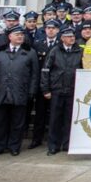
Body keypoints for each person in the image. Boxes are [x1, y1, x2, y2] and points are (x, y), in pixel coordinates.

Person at [0, 27, 39, 157]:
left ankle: (14, 146)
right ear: (9, 37)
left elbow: (34, 74)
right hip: (1, 92)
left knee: (17, 122)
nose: (20, 37)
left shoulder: (30, 52)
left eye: (22, 35)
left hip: (20, 92)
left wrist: (32, 91)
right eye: (17, 34)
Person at [41, 27, 83, 154]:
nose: (72, 38)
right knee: (55, 119)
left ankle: (67, 144)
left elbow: (87, 67)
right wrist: (45, 89)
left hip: (72, 90)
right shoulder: (54, 51)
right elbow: (45, 70)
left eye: (73, 36)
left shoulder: (80, 51)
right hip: (57, 90)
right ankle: (53, 145)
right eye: (69, 37)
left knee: (69, 119)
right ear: (62, 38)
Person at [29, 19, 62, 149]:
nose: (51, 30)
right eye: (48, 28)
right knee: (40, 114)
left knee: (55, 114)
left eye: (53, 28)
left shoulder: (60, 44)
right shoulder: (37, 44)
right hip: (42, 84)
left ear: (58, 30)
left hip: (56, 84)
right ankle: (36, 139)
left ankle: (54, 140)